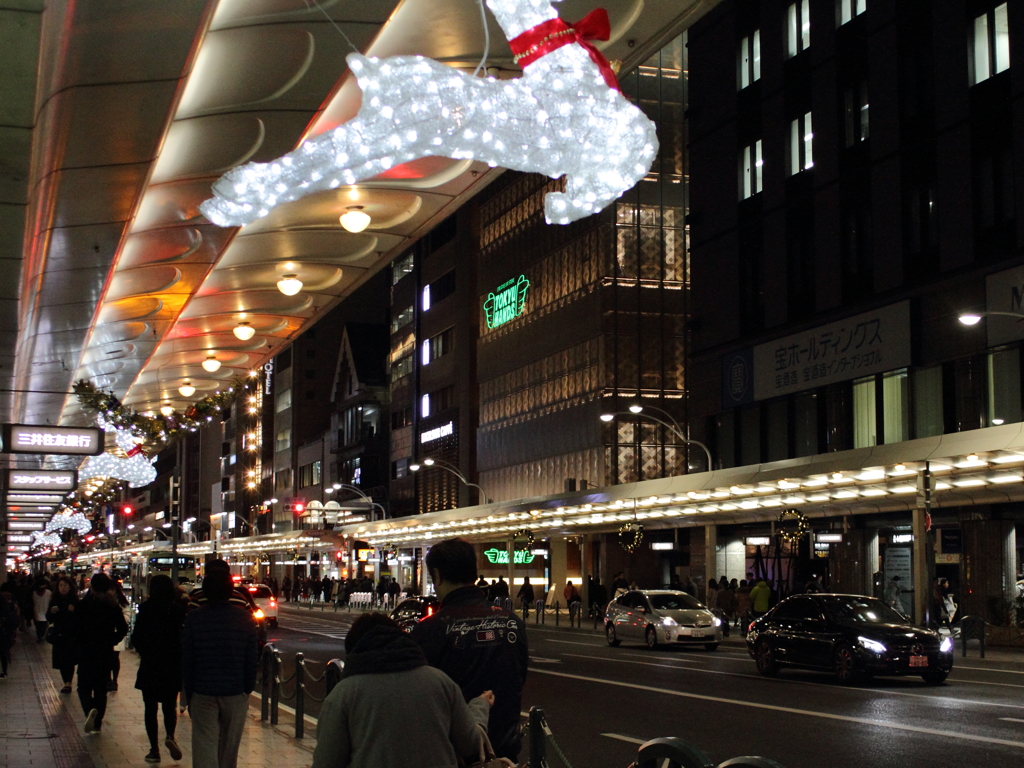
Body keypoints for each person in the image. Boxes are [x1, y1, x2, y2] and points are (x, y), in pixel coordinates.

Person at [311, 613, 494, 768]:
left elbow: (327, 761)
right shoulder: (440, 682)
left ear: (354, 651)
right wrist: (480, 706)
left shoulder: (344, 695)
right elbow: (470, 744)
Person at [411, 538, 528, 762]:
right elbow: (519, 676)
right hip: (505, 749)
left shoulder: (430, 629)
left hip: (454, 752)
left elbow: (423, 696)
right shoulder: (512, 622)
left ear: (437, 575)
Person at [182, 570, 259, 768]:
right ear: (230, 590)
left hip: (203, 689)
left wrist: (188, 692)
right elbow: (251, 658)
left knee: (204, 744)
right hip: (234, 691)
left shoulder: (194, 618)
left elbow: (188, 658)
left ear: (205, 592)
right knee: (229, 748)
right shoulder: (245, 618)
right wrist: (247, 688)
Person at [132, 575, 186, 764]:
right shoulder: (177, 610)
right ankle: (170, 735)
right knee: (169, 706)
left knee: (150, 708)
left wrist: (145, 652)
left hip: (151, 664)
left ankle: (154, 750)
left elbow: (136, 637)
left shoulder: (146, 609)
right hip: (171, 664)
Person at [75, 573, 129, 734]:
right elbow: (123, 629)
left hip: (86, 652)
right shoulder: (112, 606)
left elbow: (74, 629)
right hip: (105, 652)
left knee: (83, 687)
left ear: (91, 587)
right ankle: (97, 724)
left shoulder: (82, 606)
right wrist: (111, 640)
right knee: (100, 689)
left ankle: (89, 710)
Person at [48, 575, 79, 693]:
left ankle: (68, 683)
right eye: (61, 585)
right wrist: (52, 612)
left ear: (70, 587)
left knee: (69, 660)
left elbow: (80, 618)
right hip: (58, 635)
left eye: (65, 585)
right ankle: (65, 681)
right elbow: (48, 617)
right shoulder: (54, 600)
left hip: (71, 635)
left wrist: (74, 611)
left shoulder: (75, 601)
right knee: (61, 660)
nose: (63, 588)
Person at [109, 581, 132, 691]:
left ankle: (114, 680)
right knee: (108, 658)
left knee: (114, 657)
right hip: (107, 634)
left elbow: (127, 614)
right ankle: (108, 680)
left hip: (116, 632)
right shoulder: (103, 601)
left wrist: (120, 621)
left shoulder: (121, 602)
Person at [0, 587, 19, 678]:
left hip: (3, 631)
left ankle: (4, 670)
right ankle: (4, 670)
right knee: (3, 652)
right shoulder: (5, 604)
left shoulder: (3, 603)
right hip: (4, 632)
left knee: (3, 651)